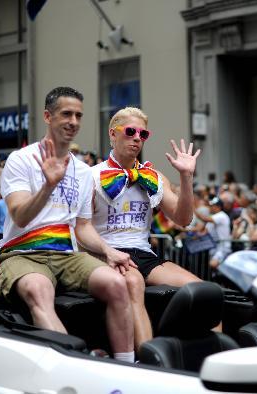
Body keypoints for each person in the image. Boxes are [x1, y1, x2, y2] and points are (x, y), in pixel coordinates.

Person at [0, 87, 136, 363]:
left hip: (66, 255)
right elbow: (20, 216)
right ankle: (74, 365)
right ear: (48, 116)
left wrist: (108, 251)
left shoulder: (83, 171)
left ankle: (127, 367)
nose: (73, 121)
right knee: (39, 289)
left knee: (118, 284)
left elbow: (82, 227)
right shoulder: (21, 159)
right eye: (66, 114)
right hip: (20, 254)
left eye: (78, 115)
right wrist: (48, 185)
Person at [91, 107, 203, 351]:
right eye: (130, 131)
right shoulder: (92, 176)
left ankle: (214, 364)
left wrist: (186, 177)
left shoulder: (153, 176)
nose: (137, 138)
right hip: (104, 254)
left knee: (203, 292)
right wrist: (104, 252)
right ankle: (150, 363)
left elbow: (183, 219)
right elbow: (79, 228)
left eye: (143, 134)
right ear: (113, 133)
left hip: (143, 255)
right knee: (133, 283)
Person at [195, 196, 232, 269]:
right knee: (212, 270)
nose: (210, 207)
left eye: (212, 206)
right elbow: (204, 232)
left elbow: (203, 218)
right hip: (214, 247)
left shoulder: (221, 215)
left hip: (223, 247)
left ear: (218, 207)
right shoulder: (213, 217)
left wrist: (192, 208)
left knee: (214, 265)